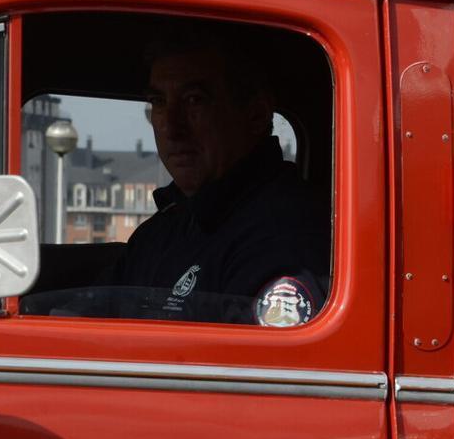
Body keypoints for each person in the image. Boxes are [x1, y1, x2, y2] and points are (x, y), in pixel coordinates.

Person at [97, 24, 329, 326]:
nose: (171, 127)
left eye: (194, 100)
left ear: (255, 114)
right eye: (159, 102)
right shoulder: (161, 232)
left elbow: (255, 364)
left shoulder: (284, 233)